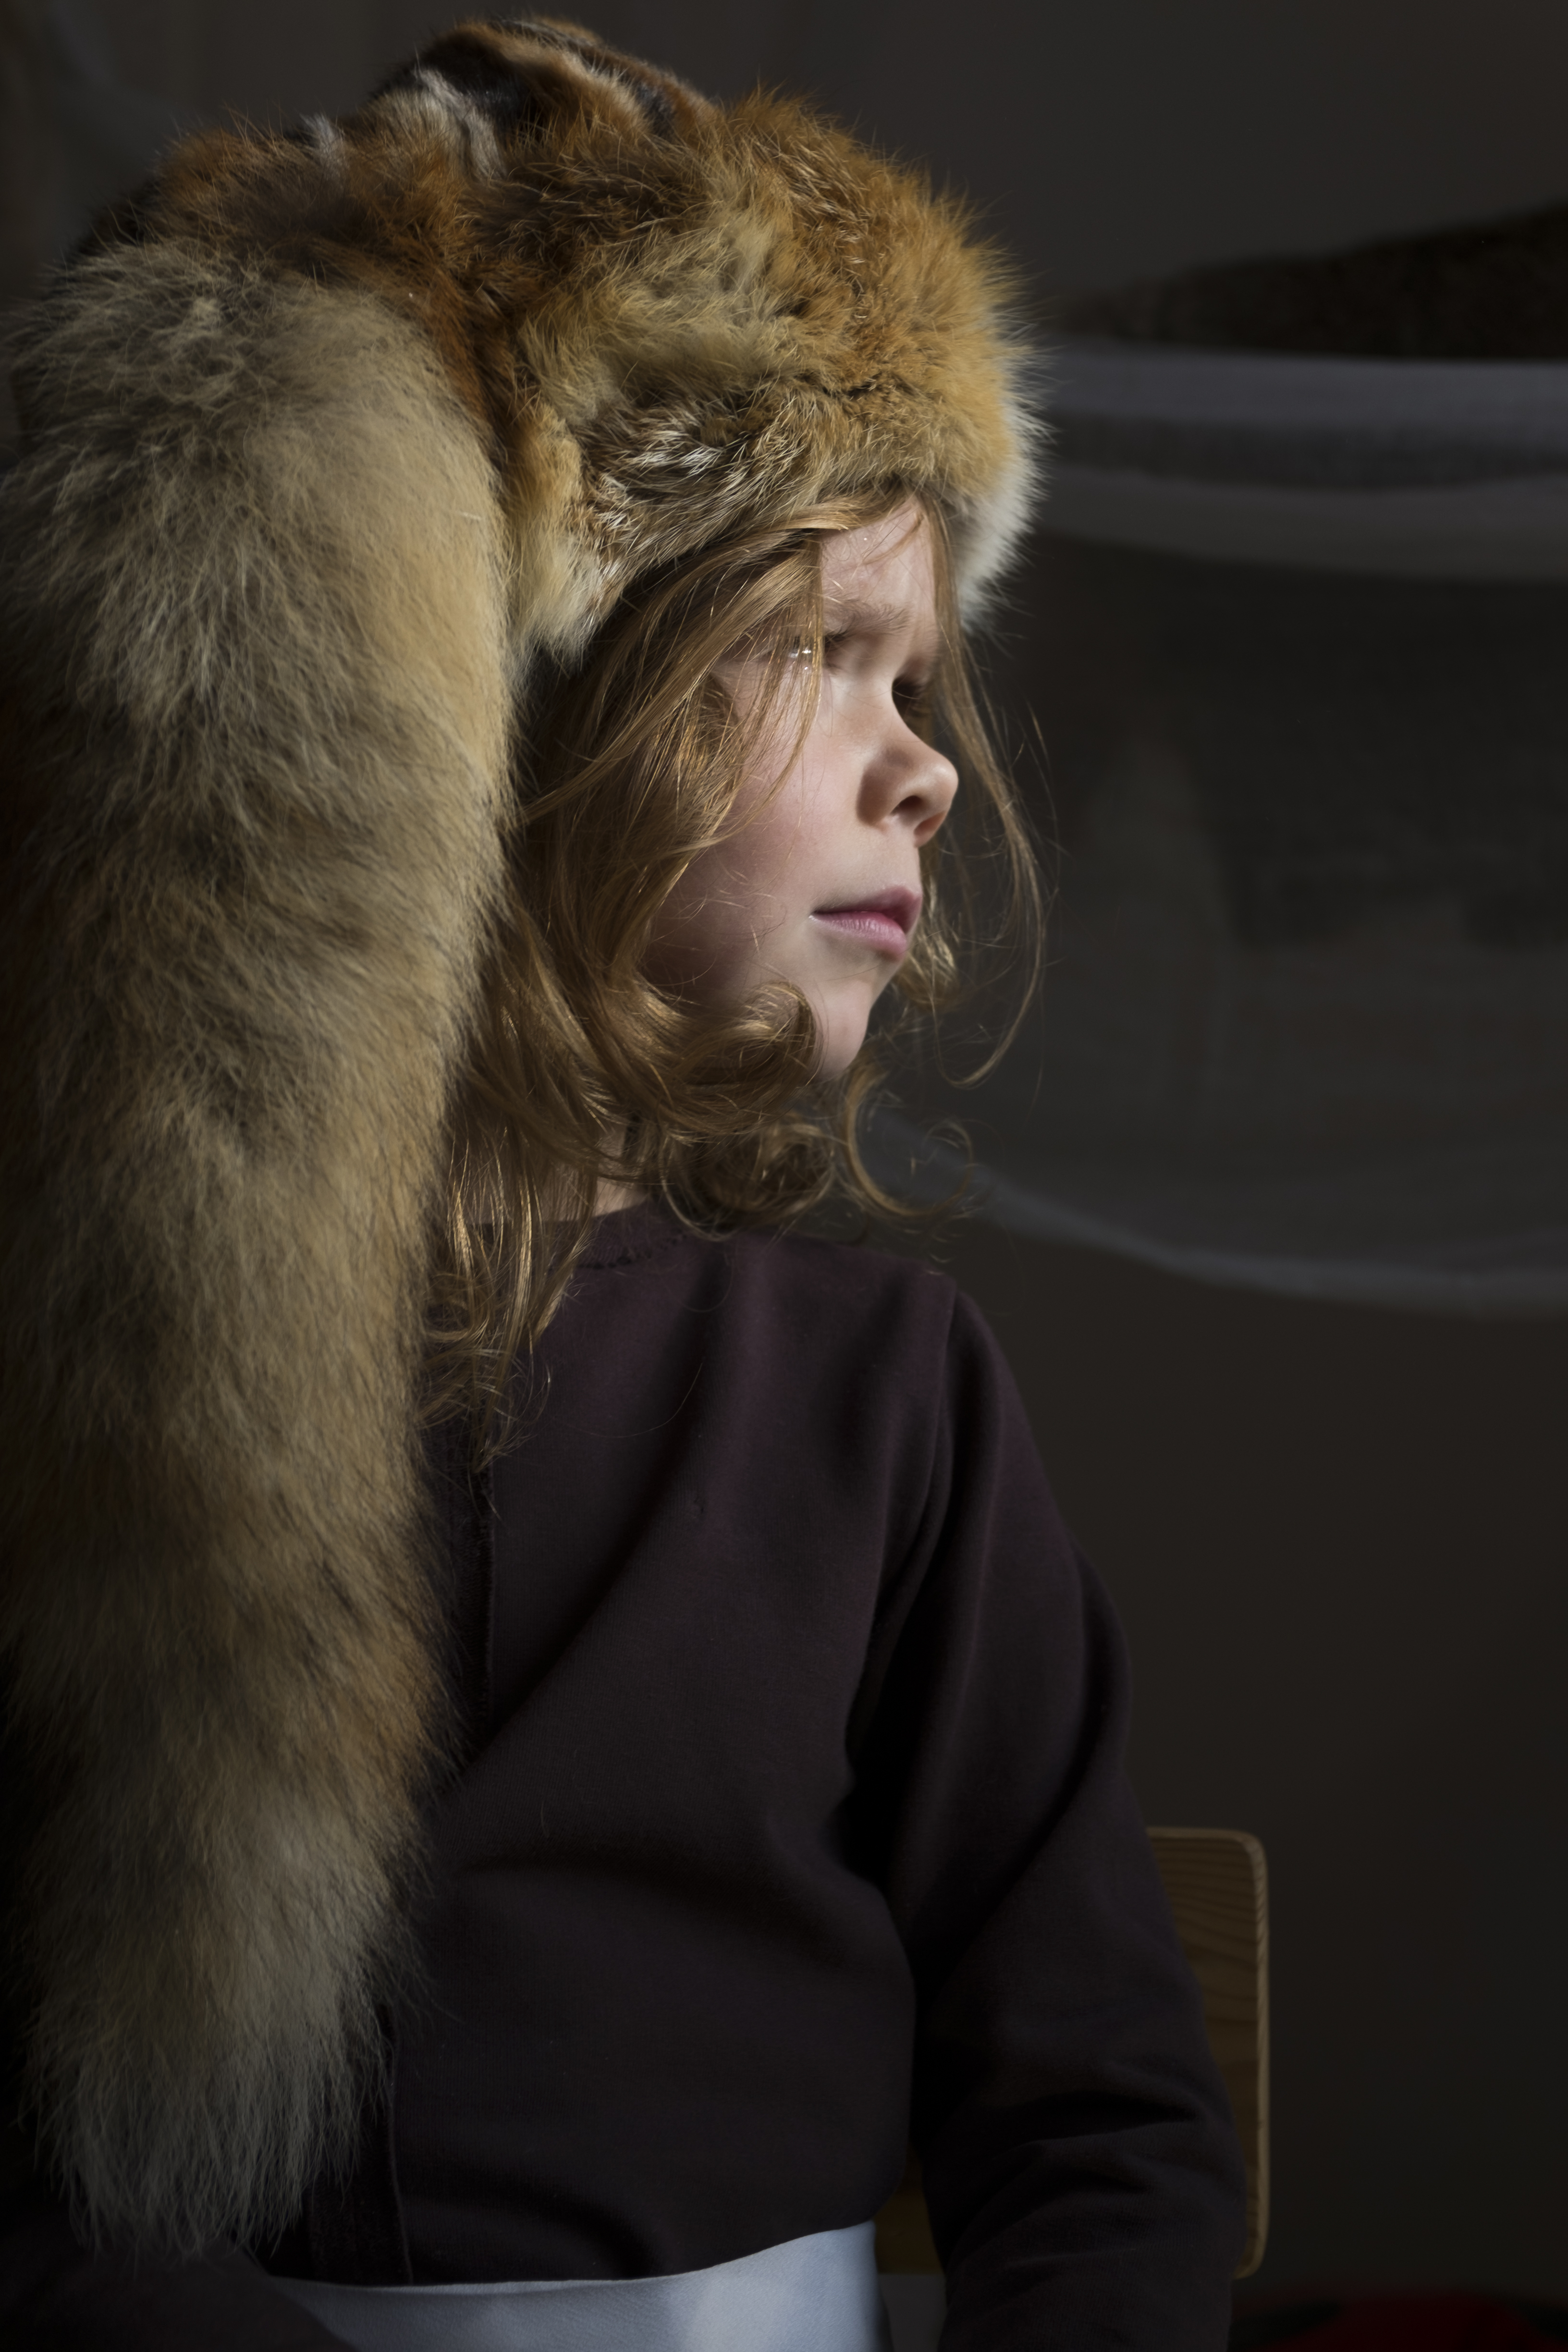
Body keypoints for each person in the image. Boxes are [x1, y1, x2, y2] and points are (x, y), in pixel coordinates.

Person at [0, 17, 1246, 2348]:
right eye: (829, 654)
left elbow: (1104, 2136)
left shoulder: (888, 1402)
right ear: (503, 720)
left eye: (929, 677)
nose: (928, 775)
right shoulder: (61, 1394)